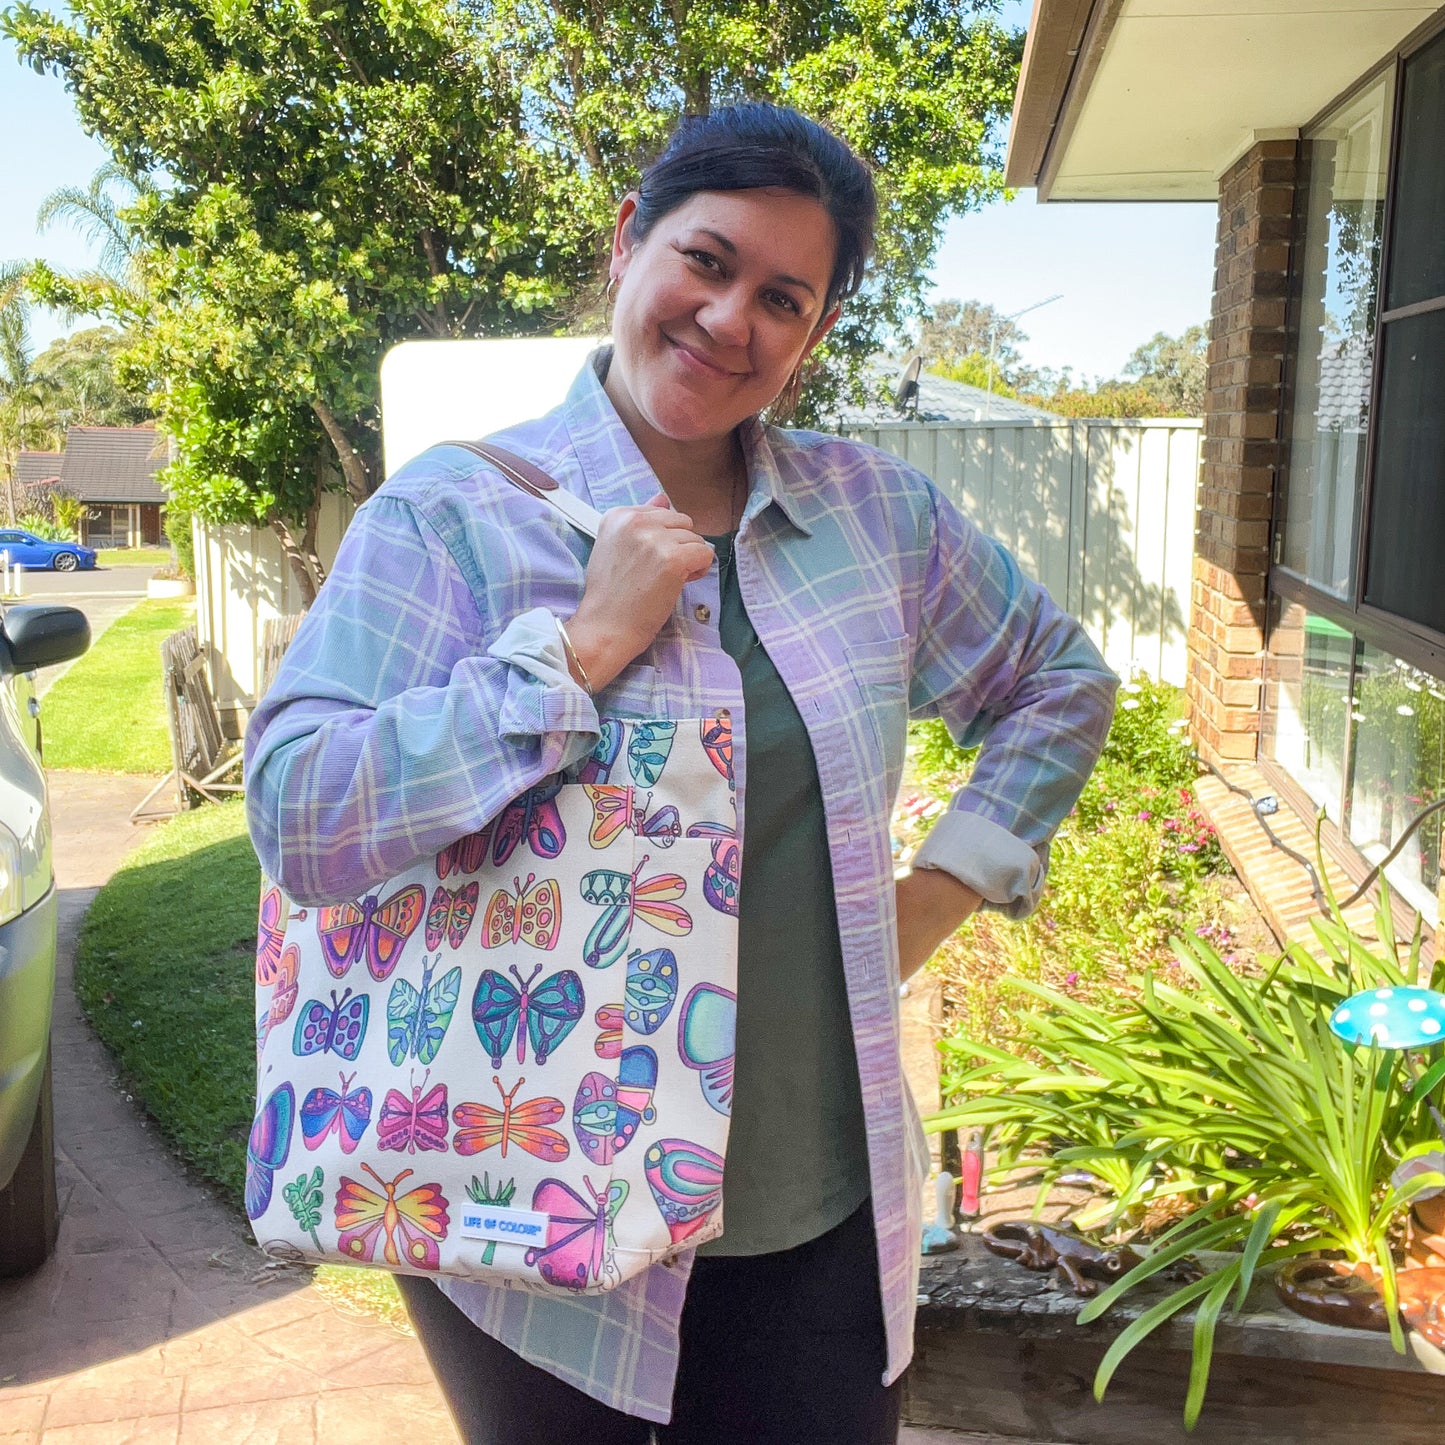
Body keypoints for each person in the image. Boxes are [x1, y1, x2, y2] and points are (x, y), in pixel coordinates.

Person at [245, 102, 1117, 1445]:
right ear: (626, 246)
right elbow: (300, 811)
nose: (730, 319)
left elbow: (1057, 682)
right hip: (521, 1203)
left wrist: (936, 892)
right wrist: (577, 651)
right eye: (705, 261)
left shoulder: (874, 517)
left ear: (814, 334)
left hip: (811, 1196)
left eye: (783, 295)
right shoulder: (452, 517)